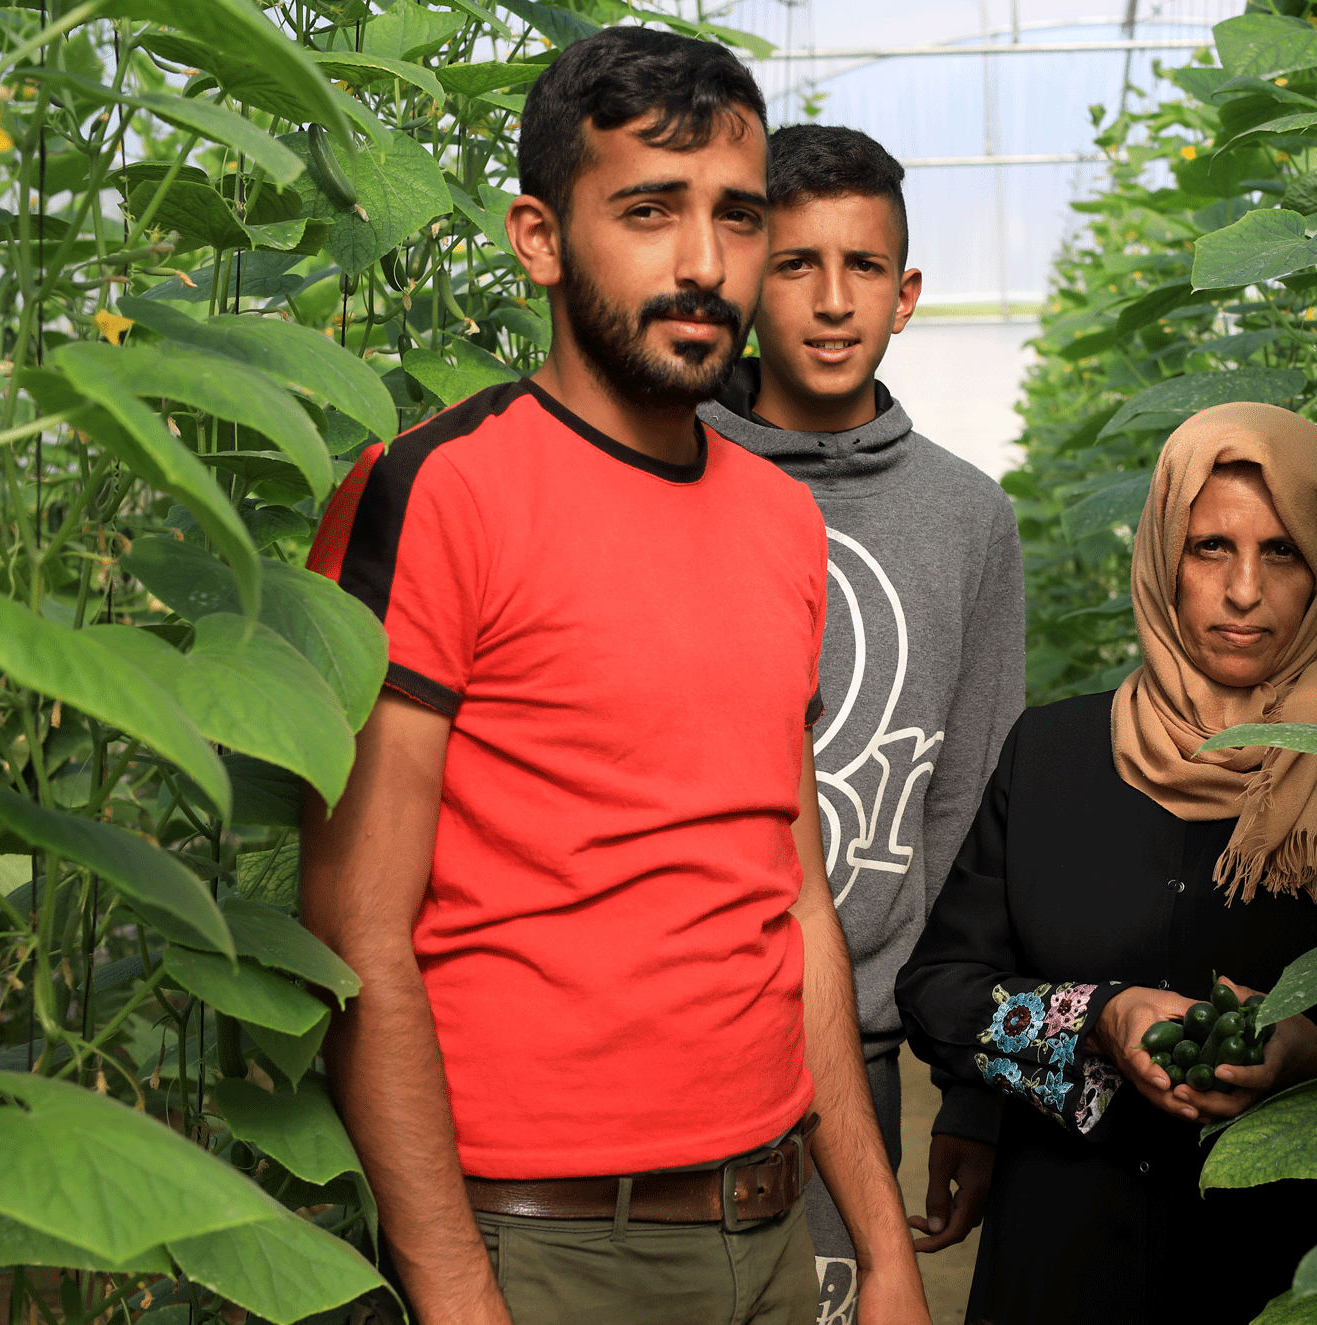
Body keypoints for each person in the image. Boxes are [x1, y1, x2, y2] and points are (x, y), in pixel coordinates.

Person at [299, 28, 928, 1325]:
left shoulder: (781, 523)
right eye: (650, 212)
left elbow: (794, 899)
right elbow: (359, 933)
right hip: (543, 1255)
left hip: (767, 1232)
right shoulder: (438, 491)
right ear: (539, 237)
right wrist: (462, 1296)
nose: (705, 264)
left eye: (737, 218)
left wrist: (883, 1249)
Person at [895, 403, 1317, 1325]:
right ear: (1162, 554)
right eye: (1209, 548)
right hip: (1066, 1268)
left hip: (1294, 1280)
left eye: (1282, 551)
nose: (1244, 590)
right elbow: (941, 987)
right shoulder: (1055, 754)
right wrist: (1097, 1020)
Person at [695, 124, 1024, 1324]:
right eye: (794, 265)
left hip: (867, 1058)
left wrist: (975, 1091)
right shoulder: (672, 472)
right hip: (684, 1038)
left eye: (865, 268)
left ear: (908, 293)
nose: (832, 304)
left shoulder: (966, 519)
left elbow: (974, 815)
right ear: (743, 280)